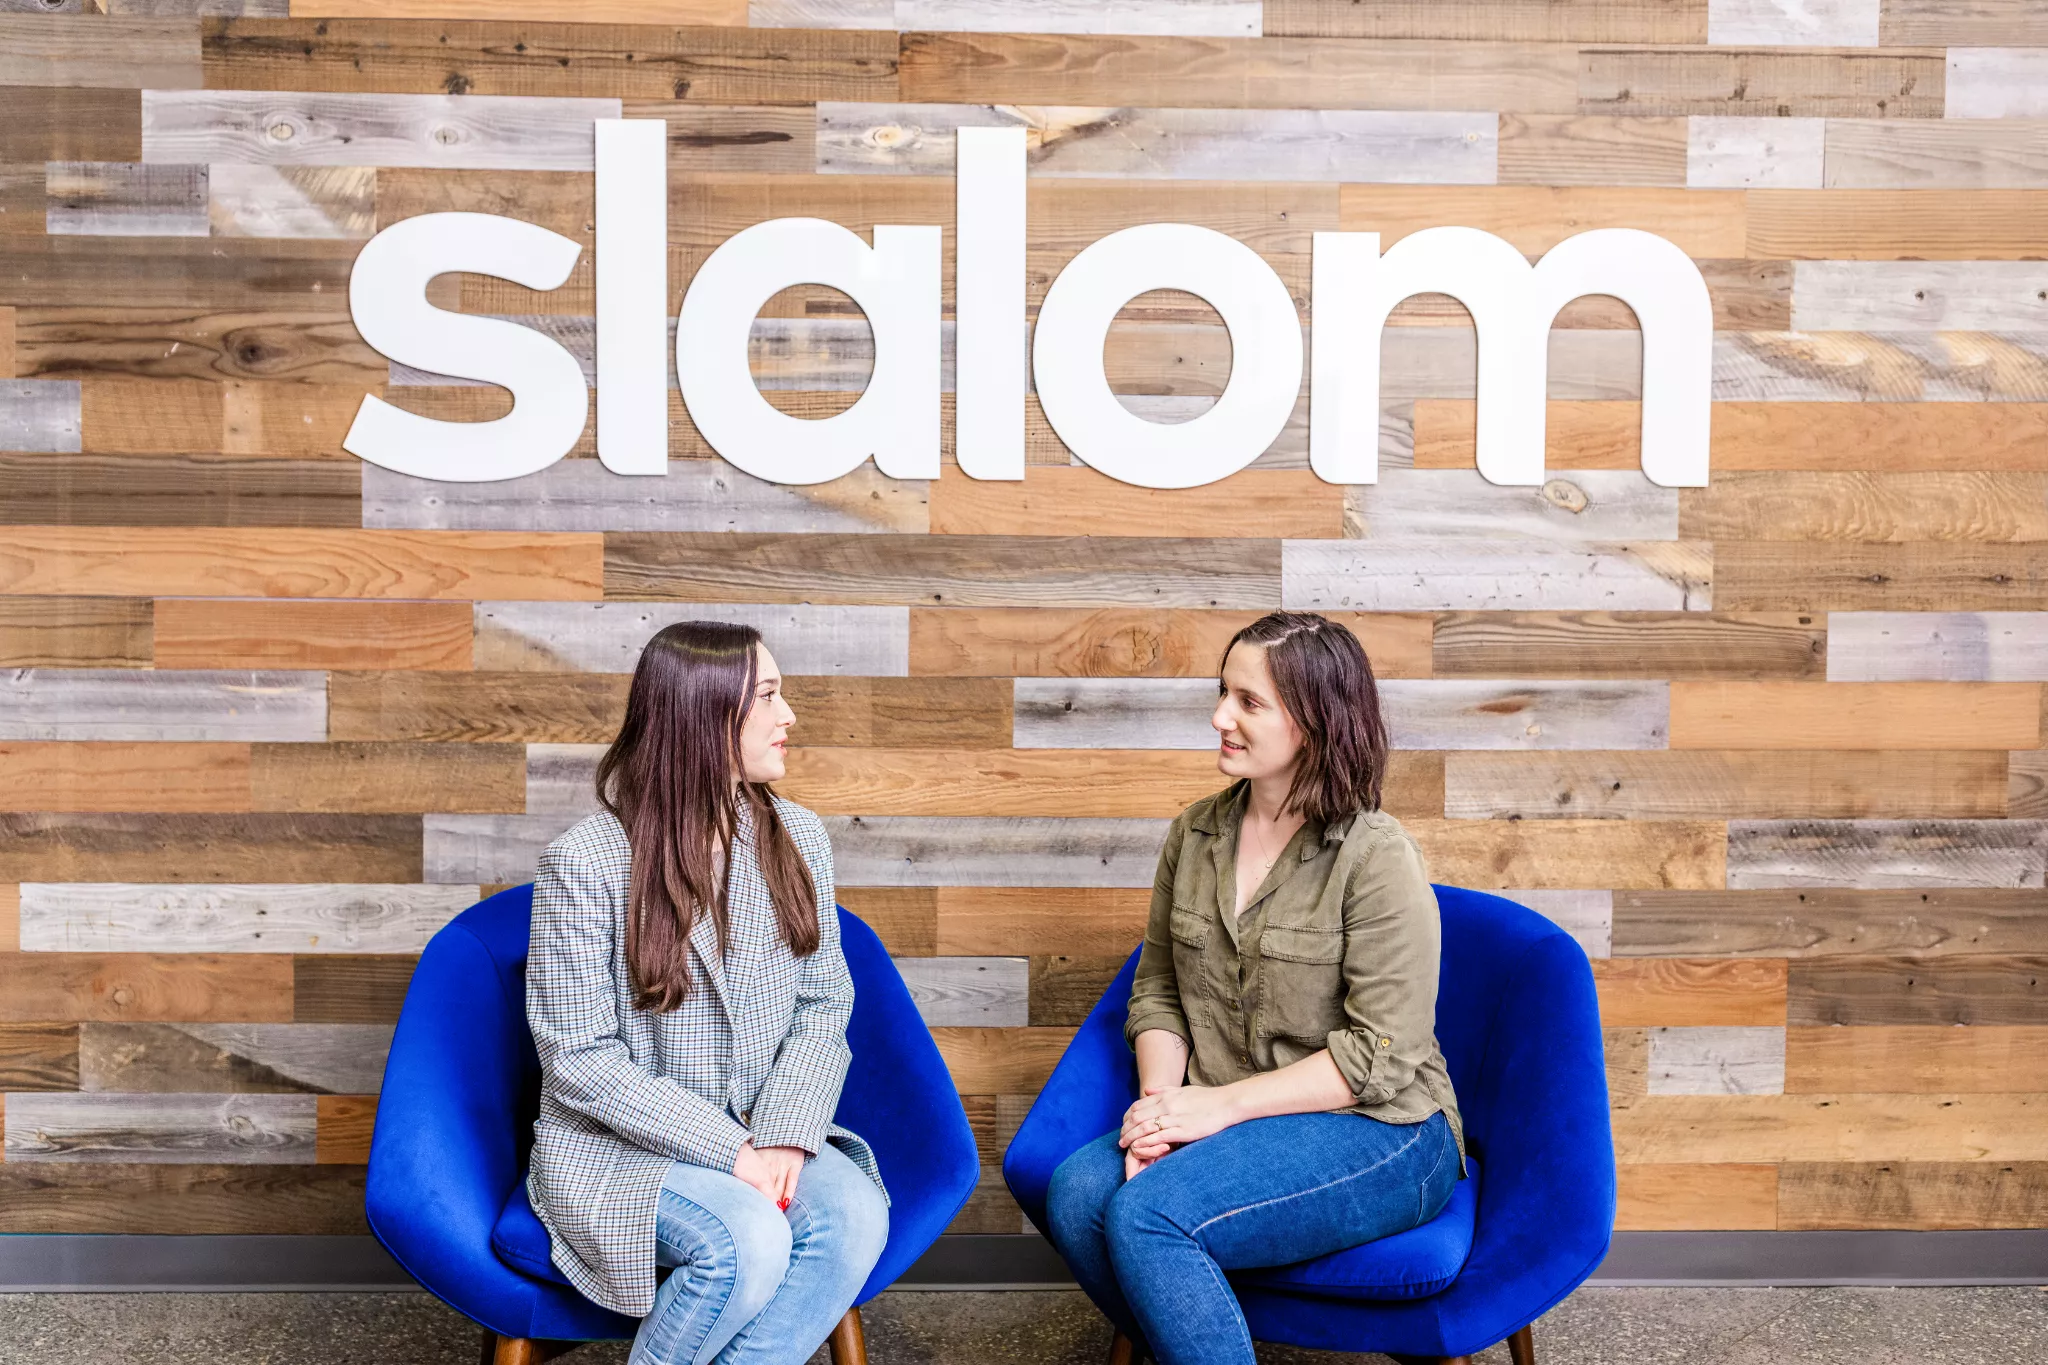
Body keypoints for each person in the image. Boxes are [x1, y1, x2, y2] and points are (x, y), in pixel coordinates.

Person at [1044, 610, 1465, 1365]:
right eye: (1222, 693)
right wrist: (1159, 1110)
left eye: (1248, 701)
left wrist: (1212, 1106)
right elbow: (1160, 988)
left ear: (1314, 720)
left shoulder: (1375, 856)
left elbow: (1380, 1055)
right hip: (1226, 1114)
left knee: (1148, 1215)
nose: (1219, 717)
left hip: (1385, 1128)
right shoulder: (1195, 833)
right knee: (1077, 1195)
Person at [524, 621, 888, 1365]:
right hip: (619, 1151)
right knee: (746, 1238)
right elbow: (580, 1060)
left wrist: (784, 1131)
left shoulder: (800, 836)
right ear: (702, 714)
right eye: (769, 697)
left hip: (762, 1125)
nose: (791, 717)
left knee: (852, 1213)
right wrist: (732, 1151)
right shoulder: (584, 862)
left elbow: (824, 1004)